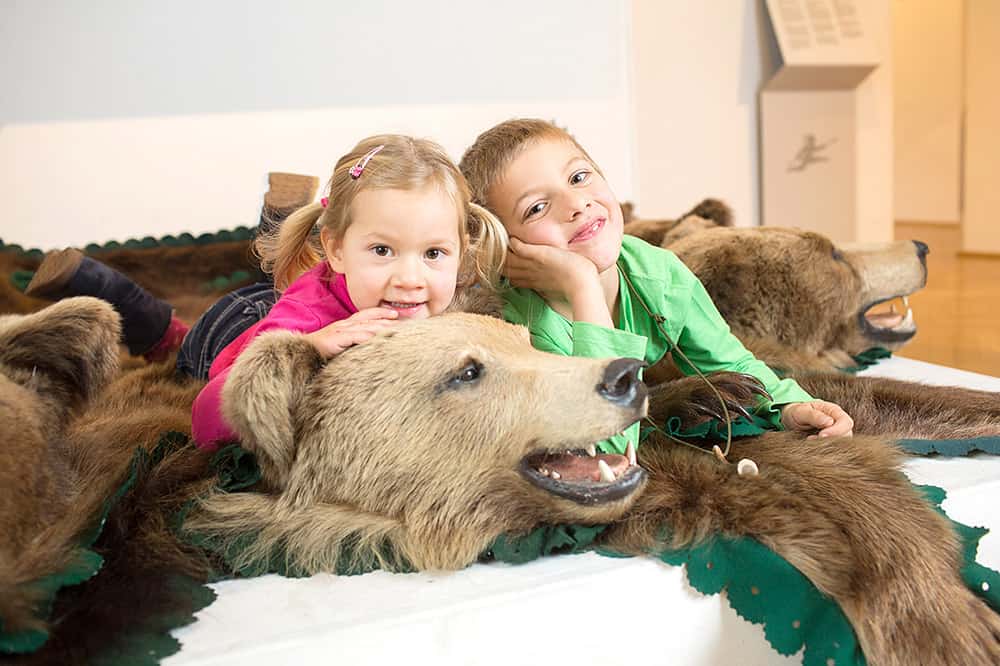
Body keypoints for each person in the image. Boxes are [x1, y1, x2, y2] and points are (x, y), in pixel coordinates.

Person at [27, 134, 507, 450]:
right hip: (236, 328)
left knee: (277, 275)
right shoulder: (303, 320)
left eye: (434, 254)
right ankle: (146, 316)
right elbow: (206, 419)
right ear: (336, 251)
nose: (410, 278)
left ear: (461, 253)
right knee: (177, 350)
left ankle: (281, 223)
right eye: (383, 250)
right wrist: (305, 350)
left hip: (315, 283)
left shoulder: (454, 298)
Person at [458, 118, 853, 455]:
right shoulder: (522, 327)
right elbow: (610, 446)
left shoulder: (658, 273)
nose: (576, 204)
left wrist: (789, 406)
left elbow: (732, 362)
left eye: (579, 177)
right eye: (537, 208)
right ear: (505, 250)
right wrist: (583, 289)